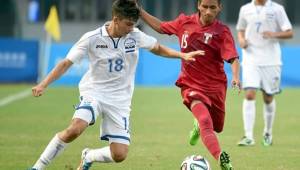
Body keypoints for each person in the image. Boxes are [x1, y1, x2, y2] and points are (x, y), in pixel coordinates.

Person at [29, 0, 204, 170]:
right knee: (75, 129)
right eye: (128, 24)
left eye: (133, 24)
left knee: (119, 154)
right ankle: (37, 167)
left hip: (120, 100)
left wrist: (182, 55)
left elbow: (158, 48)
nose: (131, 28)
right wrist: (43, 84)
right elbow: (66, 63)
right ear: (115, 19)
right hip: (94, 92)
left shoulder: (135, 36)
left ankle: (88, 156)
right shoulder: (92, 38)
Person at [138, 0, 240, 169]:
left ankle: (197, 125)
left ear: (219, 8)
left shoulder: (222, 32)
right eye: (205, 7)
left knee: (217, 127)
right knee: (205, 120)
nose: (208, 11)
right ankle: (222, 159)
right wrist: (140, 11)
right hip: (191, 84)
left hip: (215, 87)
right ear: (198, 6)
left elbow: (234, 58)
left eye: (212, 7)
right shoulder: (184, 22)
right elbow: (161, 27)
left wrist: (236, 76)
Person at [236, 0, 293, 147]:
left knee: (268, 98)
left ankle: (268, 133)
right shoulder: (245, 9)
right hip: (250, 58)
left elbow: (289, 32)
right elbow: (240, 29)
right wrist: (241, 40)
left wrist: (274, 34)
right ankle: (248, 136)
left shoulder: (277, 9)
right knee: (249, 94)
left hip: (271, 60)